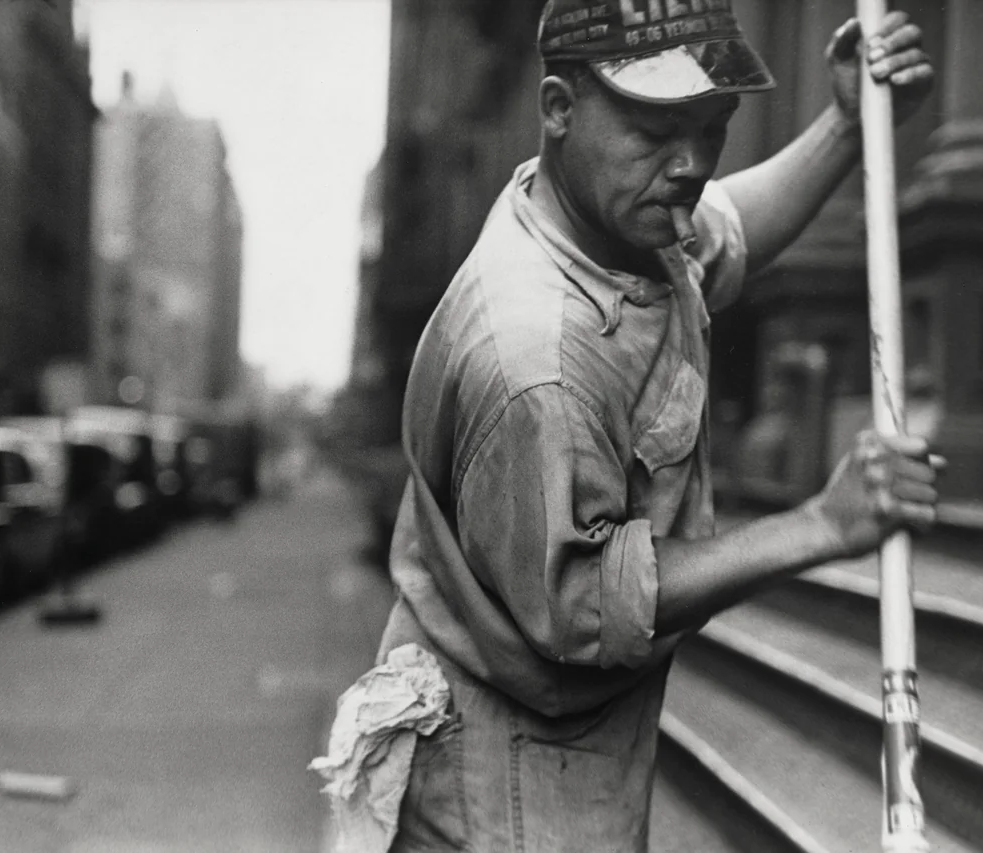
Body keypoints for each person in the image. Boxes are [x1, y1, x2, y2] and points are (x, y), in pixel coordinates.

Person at [315, 2, 938, 851]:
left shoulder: (614, 222)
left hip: (569, 758)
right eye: (655, 128)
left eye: (712, 126)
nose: (688, 165)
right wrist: (822, 525)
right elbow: (584, 608)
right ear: (559, 109)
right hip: (504, 791)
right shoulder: (536, 358)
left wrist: (844, 123)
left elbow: (731, 223)